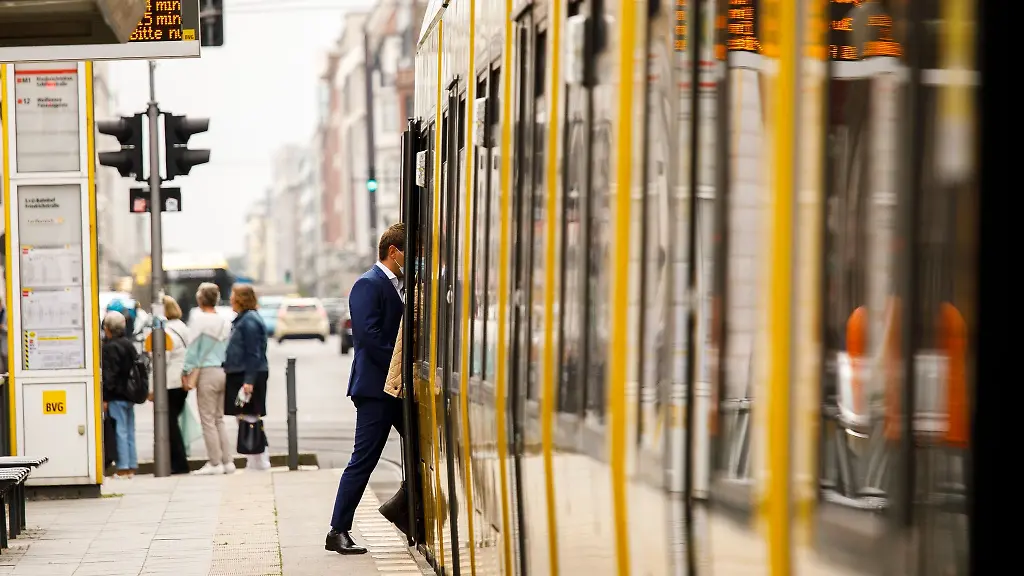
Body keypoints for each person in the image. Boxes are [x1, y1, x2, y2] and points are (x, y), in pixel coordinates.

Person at [326, 223, 406, 555]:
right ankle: (337, 530)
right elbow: (369, 338)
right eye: (411, 253)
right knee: (364, 459)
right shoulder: (368, 284)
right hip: (376, 389)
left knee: (424, 449)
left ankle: (406, 509)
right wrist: (403, 365)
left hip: (396, 387)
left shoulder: (398, 285)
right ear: (393, 251)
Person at [185, 282, 235, 475]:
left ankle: (215, 463)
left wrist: (186, 371)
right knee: (219, 419)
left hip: (207, 372)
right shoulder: (224, 321)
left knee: (207, 420)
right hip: (223, 371)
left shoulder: (199, 321)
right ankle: (228, 461)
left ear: (200, 299)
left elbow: (192, 350)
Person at [223, 284, 271, 471]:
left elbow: (253, 352)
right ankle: (256, 458)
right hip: (242, 372)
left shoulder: (248, 320)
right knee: (246, 416)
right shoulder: (244, 319)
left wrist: (249, 381)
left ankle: (257, 459)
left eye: (233, 296)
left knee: (250, 416)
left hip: (247, 373)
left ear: (240, 299)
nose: (231, 300)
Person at [149, 295, 191, 475]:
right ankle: (177, 462)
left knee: (169, 425)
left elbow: (160, 361)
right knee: (172, 423)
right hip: (181, 381)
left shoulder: (165, 332)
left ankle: (179, 463)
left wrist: (152, 389)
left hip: (169, 383)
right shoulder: (182, 327)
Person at [101, 311, 140, 478]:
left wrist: (105, 397)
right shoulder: (129, 344)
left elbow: (110, 374)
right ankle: (131, 465)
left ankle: (123, 467)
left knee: (120, 431)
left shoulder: (109, 347)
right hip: (130, 393)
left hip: (116, 395)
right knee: (129, 430)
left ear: (108, 328)